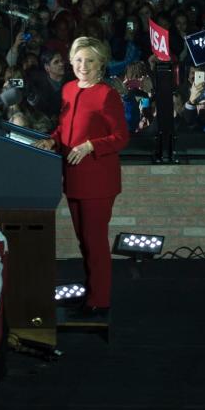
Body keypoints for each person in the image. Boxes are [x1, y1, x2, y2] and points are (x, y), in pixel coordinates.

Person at [44, 35, 129, 317]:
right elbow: (64, 128)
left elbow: (120, 138)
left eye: (90, 61)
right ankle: (92, 289)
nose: (83, 65)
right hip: (73, 176)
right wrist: (51, 140)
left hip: (98, 180)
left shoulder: (107, 94)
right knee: (84, 241)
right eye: (79, 59)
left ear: (100, 64)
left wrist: (91, 145)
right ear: (71, 61)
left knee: (95, 241)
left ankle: (99, 299)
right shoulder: (68, 89)